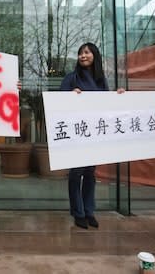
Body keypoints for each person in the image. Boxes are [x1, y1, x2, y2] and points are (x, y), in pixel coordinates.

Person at [60, 42, 124, 229]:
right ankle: (78, 212)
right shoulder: (72, 78)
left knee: (89, 173)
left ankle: (89, 211)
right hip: (76, 133)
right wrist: (70, 95)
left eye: (86, 52)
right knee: (75, 173)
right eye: (80, 53)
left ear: (94, 55)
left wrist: (119, 96)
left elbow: (106, 105)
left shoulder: (101, 80)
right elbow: (58, 102)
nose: (83, 56)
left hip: (95, 134)